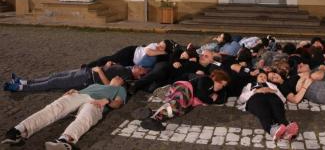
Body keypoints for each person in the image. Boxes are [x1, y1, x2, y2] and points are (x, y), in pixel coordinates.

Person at [1, 76, 127, 150]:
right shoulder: (96, 84)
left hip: (96, 103)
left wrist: (107, 100)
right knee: (54, 108)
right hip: (80, 95)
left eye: (121, 77)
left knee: (86, 116)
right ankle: (19, 131)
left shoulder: (120, 89)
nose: (118, 77)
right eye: (117, 75)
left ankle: (65, 142)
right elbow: (82, 91)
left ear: (122, 83)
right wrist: (74, 90)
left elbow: (118, 103)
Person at [140, 70, 230, 131]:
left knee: (180, 110)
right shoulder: (207, 80)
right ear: (216, 79)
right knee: (177, 105)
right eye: (221, 83)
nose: (221, 87)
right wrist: (210, 100)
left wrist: (213, 98)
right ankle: (153, 119)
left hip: (185, 95)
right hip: (184, 89)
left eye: (223, 86)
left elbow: (220, 98)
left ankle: (151, 113)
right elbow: (201, 95)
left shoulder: (210, 89)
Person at [4, 62, 147, 92]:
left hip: (86, 79)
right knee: (54, 75)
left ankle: (19, 87)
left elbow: (108, 86)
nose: (139, 66)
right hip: (86, 72)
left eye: (141, 69)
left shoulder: (127, 76)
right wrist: (109, 65)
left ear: (139, 77)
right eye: (140, 66)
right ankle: (22, 81)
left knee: (53, 82)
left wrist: (100, 71)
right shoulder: (127, 69)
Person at [237, 72, 299, 141]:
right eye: (261, 76)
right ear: (256, 78)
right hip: (255, 98)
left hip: (272, 97)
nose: (263, 78)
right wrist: (256, 91)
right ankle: (272, 129)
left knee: (277, 108)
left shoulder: (272, 85)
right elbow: (240, 99)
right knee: (263, 110)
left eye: (265, 77)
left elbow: (282, 99)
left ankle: (285, 127)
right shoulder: (249, 85)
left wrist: (272, 91)